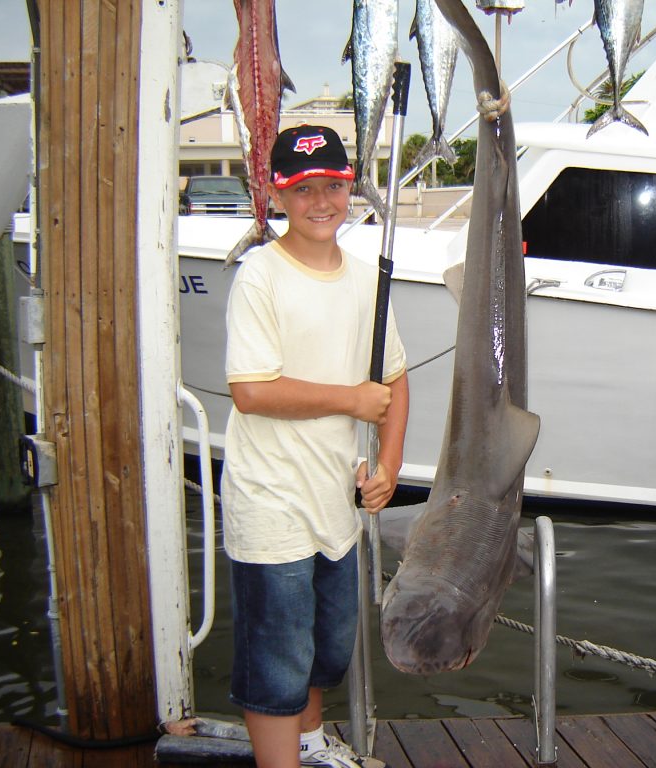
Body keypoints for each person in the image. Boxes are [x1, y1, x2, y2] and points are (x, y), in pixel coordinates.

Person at [221, 124, 409, 768]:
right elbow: (250, 390)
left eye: (332, 185)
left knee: (326, 649)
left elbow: (394, 378)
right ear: (277, 196)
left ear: (349, 189)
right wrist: (349, 400)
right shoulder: (259, 276)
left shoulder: (365, 280)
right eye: (303, 190)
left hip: (336, 497)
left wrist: (389, 463)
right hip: (270, 500)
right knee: (276, 656)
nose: (320, 201)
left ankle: (309, 743)